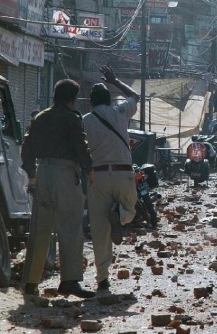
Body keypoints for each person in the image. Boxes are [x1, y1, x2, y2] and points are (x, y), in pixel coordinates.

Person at [21, 79, 96, 299]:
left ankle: (31, 283)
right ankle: (70, 282)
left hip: (43, 171)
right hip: (65, 174)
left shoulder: (39, 117)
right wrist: (90, 171)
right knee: (70, 226)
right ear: (72, 99)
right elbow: (80, 146)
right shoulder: (73, 119)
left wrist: (32, 175)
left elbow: (26, 147)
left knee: (40, 229)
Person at [82, 65, 140, 292]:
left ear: (91, 103)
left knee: (99, 230)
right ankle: (120, 215)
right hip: (123, 171)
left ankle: (102, 279)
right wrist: (115, 80)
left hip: (98, 176)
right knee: (131, 211)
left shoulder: (85, 119)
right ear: (109, 100)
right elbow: (135, 96)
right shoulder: (120, 111)